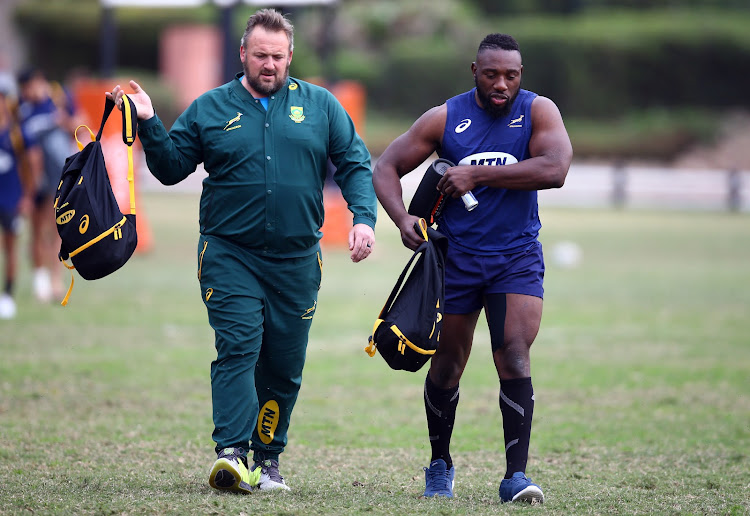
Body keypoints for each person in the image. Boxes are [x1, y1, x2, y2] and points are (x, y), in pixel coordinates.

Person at [108, 8, 377, 493]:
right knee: (239, 346)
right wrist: (149, 121)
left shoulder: (320, 106)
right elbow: (171, 168)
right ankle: (231, 454)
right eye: (260, 56)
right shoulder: (211, 107)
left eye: (277, 56)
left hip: (297, 260)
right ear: (242, 55)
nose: (268, 64)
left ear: (290, 55)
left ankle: (268, 459)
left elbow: (355, 163)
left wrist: (363, 217)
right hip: (229, 254)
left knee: (284, 363)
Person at [372, 33, 572, 503]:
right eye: (492, 74)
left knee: (515, 355)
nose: (502, 83)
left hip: (515, 258)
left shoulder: (538, 110)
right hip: (455, 261)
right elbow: (385, 167)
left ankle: (516, 478)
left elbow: (556, 168)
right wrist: (403, 219)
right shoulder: (446, 117)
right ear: (475, 72)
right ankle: (440, 465)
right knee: (447, 366)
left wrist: (477, 172)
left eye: (511, 75)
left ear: (520, 75)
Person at [17, 67, 79, 302]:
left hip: (58, 174)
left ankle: (55, 280)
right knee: (36, 228)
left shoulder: (58, 97)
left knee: (57, 229)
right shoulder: (21, 108)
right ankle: (39, 277)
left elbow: (80, 124)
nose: (28, 93)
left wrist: (64, 120)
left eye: (30, 87)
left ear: (39, 81)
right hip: (33, 177)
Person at [0, 83, 42, 319]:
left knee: (10, 248)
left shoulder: (17, 133)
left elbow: (33, 164)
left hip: (10, 201)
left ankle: (7, 294)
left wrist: (27, 196)